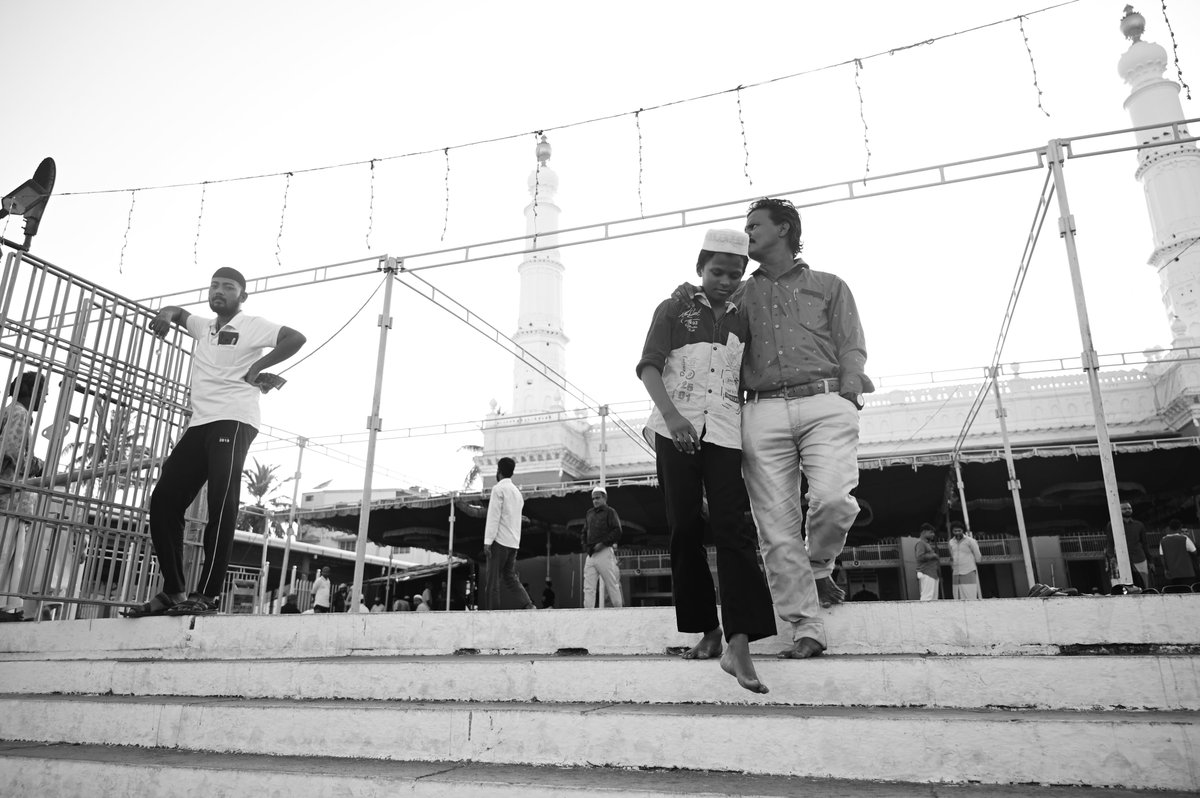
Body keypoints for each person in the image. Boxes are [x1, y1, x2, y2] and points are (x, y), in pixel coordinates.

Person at [637, 227, 776, 694]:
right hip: (673, 429)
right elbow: (649, 365)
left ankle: (739, 642)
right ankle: (707, 629)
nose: (725, 280)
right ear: (700, 268)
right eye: (717, 271)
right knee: (684, 530)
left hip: (724, 434)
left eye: (734, 274)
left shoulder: (743, 319)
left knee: (735, 530)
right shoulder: (675, 307)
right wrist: (674, 419)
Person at [734, 197, 872, 659]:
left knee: (833, 499)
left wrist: (847, 394)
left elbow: (851, 344)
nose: (747, 232)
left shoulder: (830, 285)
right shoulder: (738, 295)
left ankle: (817, 565)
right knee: (775, 527)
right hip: (762, 409)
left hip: (824, 399)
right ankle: (805, 624)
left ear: (785, 228)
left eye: (755, 225)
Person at [125, 267, 305, 617]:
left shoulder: (252, 324)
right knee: (163, 502)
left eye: (228, 287)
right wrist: (165, 313)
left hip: (235, 419)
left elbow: (295, 338)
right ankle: (174, 591)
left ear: (243, 295)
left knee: (221, 506)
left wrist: (259, 367)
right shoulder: (204, 327)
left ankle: (206, 595)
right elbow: (179, 314)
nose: (219, 291)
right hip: (200, 423)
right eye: (215, 286)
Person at [0, 373, 47, 622]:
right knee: (5, 556)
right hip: (9, 500)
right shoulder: (18, 412)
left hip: (12, 501)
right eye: (43, 392)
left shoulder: (12, 411)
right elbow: (12, 451)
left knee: (9, 558)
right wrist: (38, 465)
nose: (46, 398)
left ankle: (6, 607)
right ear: (30, 391)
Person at [483, 456, 535, 610]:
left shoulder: (498, 489)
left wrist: (487, 542)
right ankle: (528, 604)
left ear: (498, 471)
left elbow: (494, 517)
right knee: (510, 577)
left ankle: (492, 614)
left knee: (492, 582)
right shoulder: (517, 493)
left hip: (499, 541)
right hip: (513, 542)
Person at [581, 486, 624, 608]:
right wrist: (585, 546)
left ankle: (619, 609)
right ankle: (588, 612)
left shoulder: (610, 512)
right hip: (591, 554)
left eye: (598, 498)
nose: (595, 501)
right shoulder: (589, 513)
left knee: (611, 583)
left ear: (604, 498)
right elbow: (584, 531)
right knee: (588, 587)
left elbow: (617, 531)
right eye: (593, 498)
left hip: (604, 551)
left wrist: (603, 544)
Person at [1106, 502, 1150, 588]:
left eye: (1129, 508)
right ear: (1119, 510)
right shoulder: (1112, 524)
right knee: (1123, 585)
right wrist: (1111, 557)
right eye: (1124, 509)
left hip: (1139, 558)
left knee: (1143, 584)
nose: (1127, 510)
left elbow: (1144, 543)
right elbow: (1110, 542)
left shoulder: (1139, 525)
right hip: (1121, 559)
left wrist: (1150, 560)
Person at [947, 522, 983, 599]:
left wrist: (976, 564)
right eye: (955, 531)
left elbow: (977, 554)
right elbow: (951, 556)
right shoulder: (951, 542)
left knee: (970, 595)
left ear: (963, 530)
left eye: (959, 530)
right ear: (952, 531)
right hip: (956, 572)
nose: (957, 532)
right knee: (957, 595)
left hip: (968, 570)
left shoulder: (970, 541)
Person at [1159, 520, 1197, 589]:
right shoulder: (1184, 538)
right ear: (1180, 527)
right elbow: (1194, 551)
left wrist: (1166, 570)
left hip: (1173, 575)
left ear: (1169, 528)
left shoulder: (1163, 541)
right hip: (1188, 573)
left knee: (1178, 593)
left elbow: (1162, 557)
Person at [914, 524, 941, 601]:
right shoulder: (920, 543)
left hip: (933, 573)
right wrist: (933, 556)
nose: (933, 534)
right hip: (926, 572)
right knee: (927, 598)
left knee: (934, 599)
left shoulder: (926, 544)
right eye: (931, 532)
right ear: (924, 532)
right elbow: (920, 557)